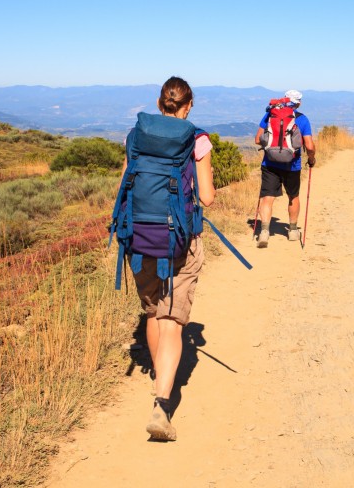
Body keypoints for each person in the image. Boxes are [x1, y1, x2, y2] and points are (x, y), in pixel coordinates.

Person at [122, 76, 215, 441]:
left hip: (141, 239)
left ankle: (156, 379)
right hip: (180, 242)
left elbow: (124, 186)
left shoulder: (135, 136)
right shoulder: (198, 139)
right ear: (188, 105)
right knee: (173, 320)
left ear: (160, 103)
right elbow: (206, 197)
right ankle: (162, 404)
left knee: (151, 312)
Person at [253, 89, 315, 247]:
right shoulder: (302, 119)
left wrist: (273, 148)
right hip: (292, 165)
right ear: (298, 103)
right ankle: (293, 231)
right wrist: (311, 158)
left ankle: (264, 232)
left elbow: (257, 139)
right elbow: (309, 145)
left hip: (270, 163)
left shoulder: (270, 114)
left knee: (267, 198)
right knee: (293, 196)